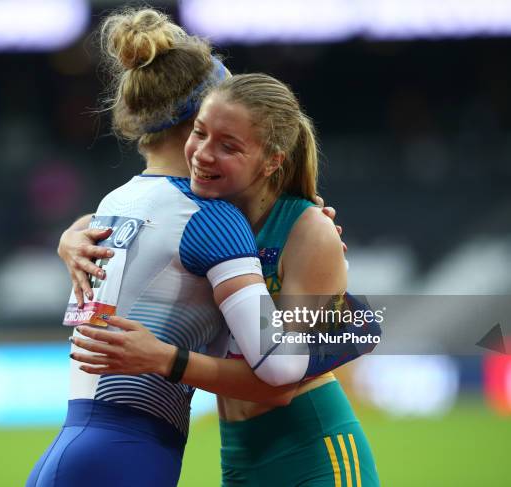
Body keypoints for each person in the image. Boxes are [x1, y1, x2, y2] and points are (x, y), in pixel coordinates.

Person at [26, 9, 358, 487]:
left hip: (77, 447)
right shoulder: (211, 218)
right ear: (200, 114)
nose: (206, 153)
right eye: (203, 134)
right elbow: (283, 365)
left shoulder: (114, 203)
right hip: (132, 456)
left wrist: (70, 234)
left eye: (228, 143)